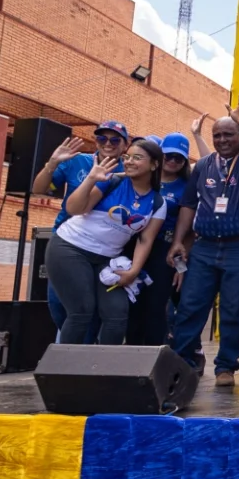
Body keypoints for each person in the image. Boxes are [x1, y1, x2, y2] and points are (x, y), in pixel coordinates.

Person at [168, 99, 239, 386]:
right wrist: (179, 242)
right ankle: (182, 364)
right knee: (190, 306)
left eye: (229, 134)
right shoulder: (202, 166)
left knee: (234, 309)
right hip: (204, 247)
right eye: (217, 135)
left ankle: (225, 367)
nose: (222, 140)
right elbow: (189, 206)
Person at [48, 138, 166, 346]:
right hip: (71, 248)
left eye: (137, 158)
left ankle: (102, 371)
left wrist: (133, 271)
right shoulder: (111, 181)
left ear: (154, 164)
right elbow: (74, 210)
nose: (129, 162)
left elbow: (145, 239)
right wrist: (91, 180)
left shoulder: (158, 202)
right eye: (127, 157)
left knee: (116, 315)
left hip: (106, 260)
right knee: (81, 311)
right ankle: (65, 371)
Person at [128, 136, 194, 346]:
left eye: (179, 158)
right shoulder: (143, 178)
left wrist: (181, 267)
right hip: (133, 245)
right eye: (169, 155)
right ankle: (130, 354)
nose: (173, 161)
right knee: (132, 303)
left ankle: (154, 356)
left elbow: (189, 233)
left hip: (165, 250)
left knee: (157, 305)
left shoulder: (187, 187)